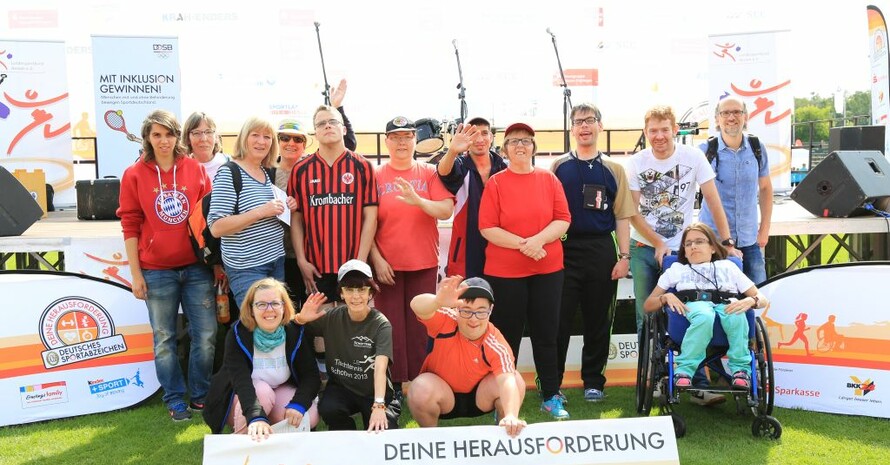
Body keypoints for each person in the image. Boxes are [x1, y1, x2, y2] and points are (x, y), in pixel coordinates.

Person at [117, 109, 216, 421]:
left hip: (196, 268)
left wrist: (216, 264)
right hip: (156, 271)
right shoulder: (134, 174)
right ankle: (175, 399)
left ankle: (200, 395)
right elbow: (130, 225)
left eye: (169, 134)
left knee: (206, 335)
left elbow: (208, 221)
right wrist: (135, 275)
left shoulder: (195, 170)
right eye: (156, 135)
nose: (163, 141)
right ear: (147, 137)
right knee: (163, 339)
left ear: (178, 137)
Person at [478, 122, 572, 420]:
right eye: (514, 141)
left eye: (527, 141)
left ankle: (551, 395)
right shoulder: (496, 183)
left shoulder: (549, 180)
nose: (521, 146)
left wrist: (538, 241)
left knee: (547, 333)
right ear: (504, 150)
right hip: (505, 273)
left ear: (534, 147)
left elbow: (563, 218)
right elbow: (487, 228)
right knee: (506, 338)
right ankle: (506, 399)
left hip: (547, 269)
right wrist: (526, 245)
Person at [626, 105, 739, 333]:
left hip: (682, 250)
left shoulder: (693, 156)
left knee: (689, 311)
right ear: (646, 132)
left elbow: (713, 200)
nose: (659, 136)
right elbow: (631, 211)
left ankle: (686, 366)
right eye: (653, 131)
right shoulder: (637, 162)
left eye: (665, 130)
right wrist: (658, 243)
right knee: (645, 314)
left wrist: (727, 242)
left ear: (675, 129)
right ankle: (647, 369)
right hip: (644, 247)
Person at [551, 103, 635, 403]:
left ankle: (594, 382)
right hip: (564, 248)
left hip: (601, 248)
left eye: (590, 120)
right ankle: (552, 383)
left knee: (598, 319)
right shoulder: (558, 167)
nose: (584, 126)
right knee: (558, 320)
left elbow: (622, 216)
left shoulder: (614, 169)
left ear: (600, 126)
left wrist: (624, 258)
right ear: (571, 128)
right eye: (578, 121)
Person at [370, 116, 454, 392]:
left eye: (407, 137)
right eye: (396, 137)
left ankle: (420, 384)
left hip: (423, 262)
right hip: (387, 265)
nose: (402, 142)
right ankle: (392, 387)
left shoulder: (429, 173)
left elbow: (445, 210)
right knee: (388, 327)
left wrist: (418, 200)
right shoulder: (375, 175)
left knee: (421, 327)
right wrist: (377, 259)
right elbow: (365, 222)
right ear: (387, 142)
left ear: (415, 140)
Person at [643, 222, 768, 393]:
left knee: (736, 315)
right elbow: (648, 304)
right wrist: (665, 297)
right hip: (694, 307)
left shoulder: (729, 266)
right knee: (704, 315)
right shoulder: (677, 270)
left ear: (713, 248)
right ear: (685, 252)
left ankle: (741, 371)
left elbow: (763, 299)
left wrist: (751, 301)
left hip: (727, 304)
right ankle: (684, 370)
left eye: (699, 241)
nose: (693, 246)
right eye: (688, 244)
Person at [408, 276, 527, 437]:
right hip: (443, 396)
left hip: (481, 398)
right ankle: (430, 440)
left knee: (516, 380)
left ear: (490, 311)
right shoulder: (446, 320)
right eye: (466, 310)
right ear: (456, 309)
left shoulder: (494, 341)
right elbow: (416, 305)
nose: (473, 318)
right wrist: (437, 301)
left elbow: (507, 380)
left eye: (481, 311)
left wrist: (512, 415)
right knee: (420, 387)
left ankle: (505, 431)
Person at [203, 278, 321, 441]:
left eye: (275, 303)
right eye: (261, 304)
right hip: (242, 397)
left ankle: (275, 444)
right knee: (263, 394)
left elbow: (311, 376)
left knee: (310, 414)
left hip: (278, 389)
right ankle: (242, 443)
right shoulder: (238, 334)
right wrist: (255, 416)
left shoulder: (294, 331)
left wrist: (298, 404)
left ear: (284, 306)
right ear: (251, 309)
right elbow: (241, 381)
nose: (269, 309)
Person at [288, 105, 378, 308]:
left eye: (333, 122)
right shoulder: (301, 170)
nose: (327, 126)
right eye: (321, 123)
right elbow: (296, 219)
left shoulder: (362, 166)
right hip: (316, 266)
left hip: (353, 263)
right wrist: (301, 261)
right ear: (315, 132)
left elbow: (371, 218)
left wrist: (361, 264)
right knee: (322, 329)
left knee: (353, 326)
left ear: (344, 128)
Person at [294, 260, 399, 431]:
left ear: (370, 293)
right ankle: (346, 435)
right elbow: (291, 329)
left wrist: (379, 405)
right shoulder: (331, 317)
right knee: (329, 409)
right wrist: (300, 319)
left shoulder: (381, 324)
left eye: (361, 290)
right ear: (341, 293)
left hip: (374, 391)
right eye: (349, 290)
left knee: (383, 431)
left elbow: (380, 368)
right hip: (342, 388)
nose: (355, 296)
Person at [208, 117, 293, 308]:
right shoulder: (229, 172)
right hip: (246, 268)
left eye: (267, 137)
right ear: (244, 138)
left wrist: (287, 205)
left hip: (276, 261)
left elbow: (272, 211)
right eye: (255, 135)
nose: (261, 141)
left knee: (274, 322)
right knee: (257, 324)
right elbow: (216, 227)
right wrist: (261, 211)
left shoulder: (266, 171)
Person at [699, 97, 773, 285]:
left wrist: (764, 229)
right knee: (719, 301)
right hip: (714, 242)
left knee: (757, 297)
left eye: (737, 112)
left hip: (749, 240)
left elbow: (765, 188)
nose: (731, 117)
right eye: (725, 113)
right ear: (717, 119)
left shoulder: (757, 148)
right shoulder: (705, 151)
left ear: (745, 117)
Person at [437, 117, 508, 278]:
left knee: (501, 299)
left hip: (501, 244)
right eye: (474, 134)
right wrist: (452, 150)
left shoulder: (503, 167)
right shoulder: (460, 165)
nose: (480, 139)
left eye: (484, 133)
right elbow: (443, 171)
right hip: (466, 249)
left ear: (491, 137)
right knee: (466, 300)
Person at [182, 112, 229, 180]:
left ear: (216, 137)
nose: (204, 139)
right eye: (196, 133)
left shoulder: (231, 164)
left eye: (209, 132)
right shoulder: (180, 169)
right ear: (187, 138)